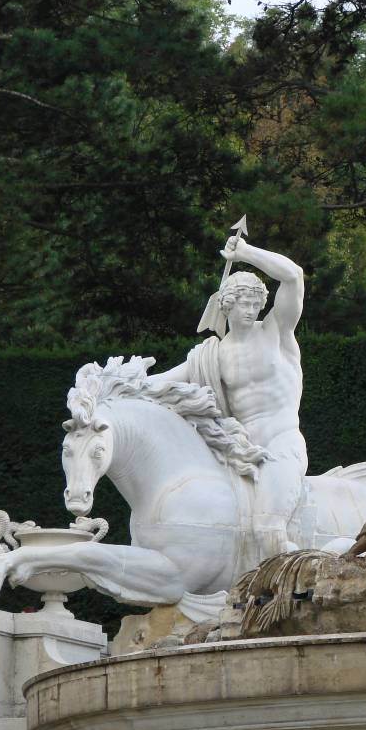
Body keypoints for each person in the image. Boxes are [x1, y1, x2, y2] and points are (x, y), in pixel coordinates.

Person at [150, 234, 307, 557]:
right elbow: (161, 384)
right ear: (227, 304)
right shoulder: (213, 355)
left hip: (282, 443)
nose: (251, 310)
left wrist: (246, 253)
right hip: (238, 453)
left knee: (268, 526)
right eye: (243, 304)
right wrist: (117, 383)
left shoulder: (276, 330)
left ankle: (291, 578)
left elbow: (293, 276)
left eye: (255, 304)